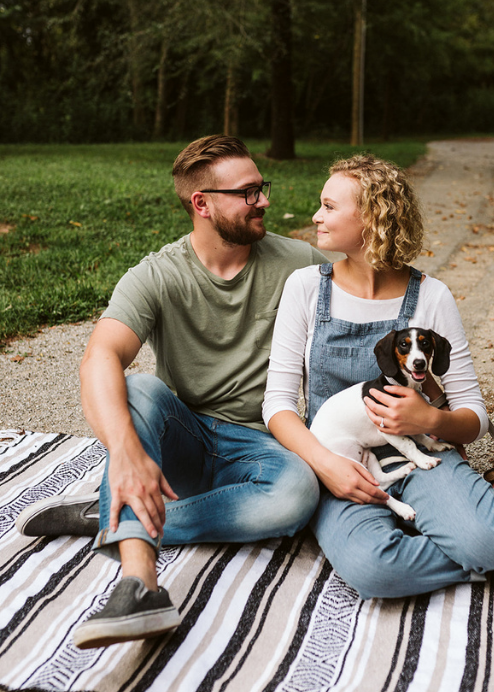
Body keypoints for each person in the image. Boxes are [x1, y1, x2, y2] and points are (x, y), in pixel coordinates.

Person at [264, 154, 494, 600]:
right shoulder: (306, 288)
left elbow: (473, 416)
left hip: (426, 457)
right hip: (341, 463)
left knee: (488, 539)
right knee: (375, 570)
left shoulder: (431, 297)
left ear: (373, 219)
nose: (316, 217)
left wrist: (431, 421)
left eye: (329, 206)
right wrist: (326, 464)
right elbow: (278, 405)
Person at [17, 135, 329, 649]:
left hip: (262, 447)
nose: (265, 201)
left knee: (298, 493)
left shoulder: (299, 263)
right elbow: (99, 357)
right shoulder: (157, 274)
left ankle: (110, 518)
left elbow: (365, 308)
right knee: (136, 386)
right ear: (201, 204)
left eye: (262, 188)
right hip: (182, 439)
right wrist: (123, 453)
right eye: (249, 192)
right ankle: (139, 584)